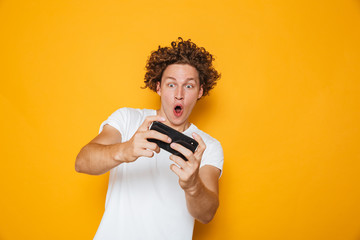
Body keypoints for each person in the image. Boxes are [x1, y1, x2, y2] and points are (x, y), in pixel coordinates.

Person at [75, 37, 224, 240]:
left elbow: (207, 214)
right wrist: (124, 150)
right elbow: (82, 162)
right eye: (171, 85)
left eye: (188, 86)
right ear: (159, 88)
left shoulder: (207, 147)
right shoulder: (128, 119)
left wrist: (193, 185)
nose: (179, 94)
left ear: (200, 91)